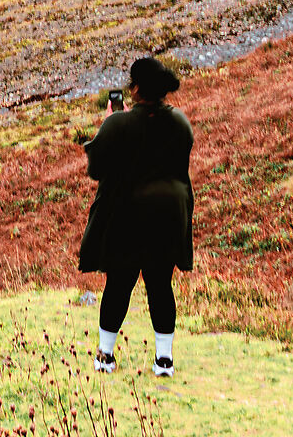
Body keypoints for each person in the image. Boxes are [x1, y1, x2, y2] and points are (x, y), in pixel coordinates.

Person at [75, 56, 193, 378]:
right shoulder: (181, 122)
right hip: (169, 215)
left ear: (136, 88)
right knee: (159, 285)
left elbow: (96, 168)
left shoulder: (118, 124)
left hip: (127, 216)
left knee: (119, 284)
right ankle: (164, 361)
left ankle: (105, 356)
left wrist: (111, 123)